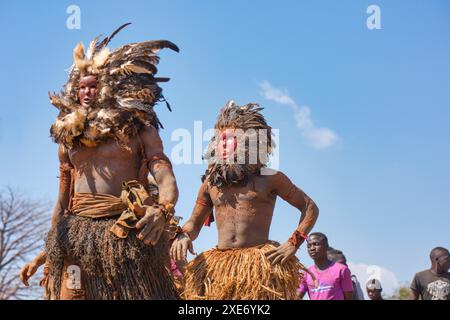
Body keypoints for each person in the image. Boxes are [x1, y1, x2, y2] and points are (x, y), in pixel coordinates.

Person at [19, 23, 181, 299]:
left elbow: (165, 175)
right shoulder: (69, 137)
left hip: (125, 233)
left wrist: (162, 209)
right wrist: (47, 252)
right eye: (81, 87)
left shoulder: (138, 128)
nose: (86, 92)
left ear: (107, 87)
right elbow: (63, 200)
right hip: (76, 238)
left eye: (93, 86)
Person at [170, 101, 319, 299]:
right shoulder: (211, 184)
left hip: (259, 267)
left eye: (229, 139)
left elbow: (309, 207)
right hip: (220, 269)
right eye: (219, 139)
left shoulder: (270, 178)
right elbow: (194, 223)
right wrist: (184, 235)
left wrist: (293, 243)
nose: (222, 144)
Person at [298, 233, 354, 300]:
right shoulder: (306, 274)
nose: (312, 248)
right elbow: (296, 296)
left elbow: (349, 298)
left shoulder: (342, 270)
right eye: (309, 246)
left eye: (316, 244)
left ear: (326, 246)